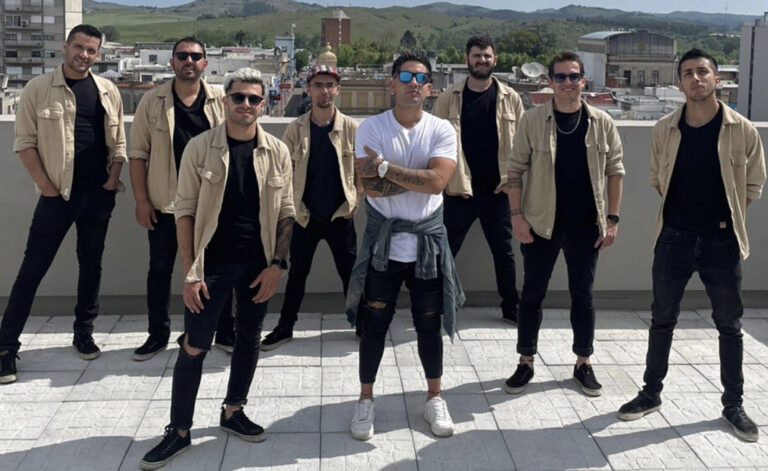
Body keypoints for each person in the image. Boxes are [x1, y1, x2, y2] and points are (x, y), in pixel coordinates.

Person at [139, 68, 295, 469]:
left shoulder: (276, 151)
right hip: (212, 264)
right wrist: (191, 272)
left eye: (254, 99)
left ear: (264, 104)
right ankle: (179, 431)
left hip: (258, 263)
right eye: (238, 97)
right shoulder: (200, 148)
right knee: (195, 345)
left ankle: (233, 410)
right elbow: (185, 212)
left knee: (249, 338)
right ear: (225, 101)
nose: (246, 104)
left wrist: (277, 265)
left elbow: (286, 211)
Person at [618, 49, 766, 442]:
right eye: (688, 73)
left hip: (722, 240)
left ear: (717, 79)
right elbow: (658, 179)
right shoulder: (665, 128)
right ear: (679, 82)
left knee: (729, 325)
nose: (696, 78)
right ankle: (651, 393)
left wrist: (726, 220)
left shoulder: (742, 130)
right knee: (662, 319)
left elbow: (753, 185)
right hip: (674, 238)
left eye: (703, 72)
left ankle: (733, 405)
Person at [345, 52, 463, 441]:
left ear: (430, 88)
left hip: (426, 247)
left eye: (422, 78)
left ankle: (434, 396)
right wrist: (413, 178)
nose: (415, 83)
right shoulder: (370, 128)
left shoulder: (442, 129)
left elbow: (438, 182)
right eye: (407, 76)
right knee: (374, 325)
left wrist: (385, 168)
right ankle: (365, 399)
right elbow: (371, 187)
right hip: (385, 246)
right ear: (391, 83)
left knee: (429, 325)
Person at [0, 24, 126, 384]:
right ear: (65, 46)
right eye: (79, 47)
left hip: (97, 195)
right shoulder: (38, 89)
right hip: (57, 196)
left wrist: (112, 180)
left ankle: (83, 332)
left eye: (91, 50)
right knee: (32, 270)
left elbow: (118, 142)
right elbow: (25, 143)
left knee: (91, 266)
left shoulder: (107, 90)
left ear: (98, 54)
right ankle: (6, 347)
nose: (84, 55)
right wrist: (47, 187)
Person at [504, 51, 624, 397]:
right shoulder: (532, 120)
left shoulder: (602, 122)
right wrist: (517, 217)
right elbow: (514, 171)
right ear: (550, 82)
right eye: (560, 77)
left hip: (586, 224)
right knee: (532, 294)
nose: (568, 83)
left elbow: (615, 171)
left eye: (574, 76)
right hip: (541, 222)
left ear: (583, 80)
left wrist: (612, 219)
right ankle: (526, 361)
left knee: (583, 295)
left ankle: (583, 362)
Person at [129, 37, 236, 361]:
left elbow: (235, 147)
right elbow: (138, 154)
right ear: (172, 61)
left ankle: (224, 330)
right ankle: (157, 334)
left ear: (205, 62)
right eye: (182, 55)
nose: (189, 60)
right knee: (160, 270)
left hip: (211, 204)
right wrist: (141, 201)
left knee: (219, 270)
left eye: (195, 56)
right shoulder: (152, 101)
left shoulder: (220, 100)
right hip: (166, 204)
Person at [261, 65, 359, 351]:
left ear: (337, 89)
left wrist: (356, 199)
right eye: (318, 85)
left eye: (329, 85)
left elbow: (362, 170)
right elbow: (284, 171)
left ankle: (361, 322)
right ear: (309, 89)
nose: (324, 91)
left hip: (340, 213)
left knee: (350, 273)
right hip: (305, 215)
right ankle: (285, 326)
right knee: (297, 274)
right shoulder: (296, 129)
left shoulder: (352, 128)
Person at [432, 34, 523, 324]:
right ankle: (437, 304)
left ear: (495, 60)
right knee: (445, 251)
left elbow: (522, 145)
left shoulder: (510, 98)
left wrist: (515, 183)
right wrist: (443, 183)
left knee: (504, 252)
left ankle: (511, 307)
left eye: (486, 56)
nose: (482, 60)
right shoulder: (449, 98)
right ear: (467, 59)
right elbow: (433, 142)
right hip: (459, 189)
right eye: (476, 55)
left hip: (498, 190)